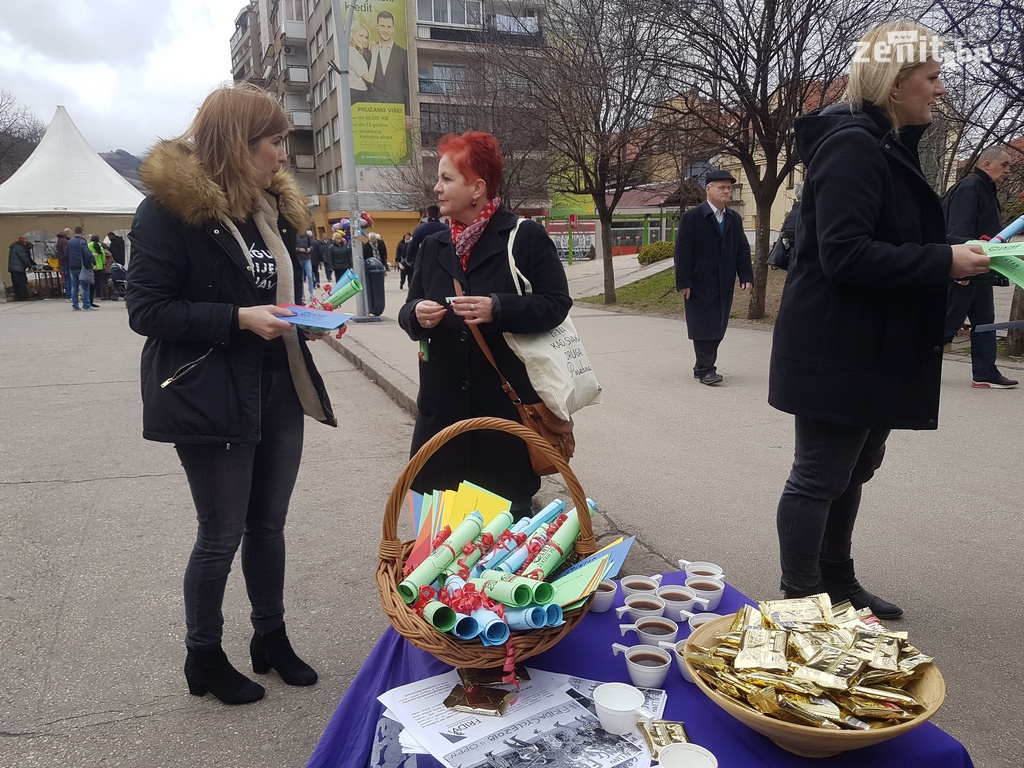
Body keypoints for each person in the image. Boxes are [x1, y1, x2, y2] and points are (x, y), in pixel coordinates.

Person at [768, 22, 990, 619]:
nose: (940, 90)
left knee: (854, 469)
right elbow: (843, 253)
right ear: (895, 84)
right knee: (819, 475)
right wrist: (942, 260)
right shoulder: (853, 145)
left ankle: (838, 581)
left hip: (871, 343)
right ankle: (801, 599)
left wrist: (948, 262)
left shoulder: (885, 143)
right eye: (931, 77)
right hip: (836, 345)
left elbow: (886, 241)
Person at [126, 84, 337, 705]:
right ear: (236, 144)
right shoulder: (168, 212)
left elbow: (275, 294)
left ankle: (269, 638)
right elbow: (147, 309)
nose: (282, 156)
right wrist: (239, 319)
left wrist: (307, 314)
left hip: (277, 384)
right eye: (274, 142)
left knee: (268, 524)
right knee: (221, 533)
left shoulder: (269, 211)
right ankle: (204, 657)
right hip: (209, 393)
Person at [398, 130, 571, 518]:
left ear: (477, 188)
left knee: (503, 541)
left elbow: (556, 304)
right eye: (439, 179)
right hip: (441, 415)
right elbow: (408, 309)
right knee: (438, 535)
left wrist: (499, 308)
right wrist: (417, 316)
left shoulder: (524, 238)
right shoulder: (433, 244)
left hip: (503, 415)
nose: (437, 188)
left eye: (447, 179)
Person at [942, 146, 1017, 389]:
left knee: (985, 322)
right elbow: (957, 232)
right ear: (987, 164)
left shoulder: (986, 190)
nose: (1008, 170)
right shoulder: (970, 188)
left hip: (981, 271)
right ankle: (910, 366)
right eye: (1004, 165)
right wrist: (962, 270)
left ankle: (985, 372)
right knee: (946, 323)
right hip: (966, 270)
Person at [673, 169, 753, 385]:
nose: (727, 191)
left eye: (729, 188)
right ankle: (706, 368)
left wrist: (746, 276)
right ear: (709, 189)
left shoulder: (733, 218)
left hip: (723, 280)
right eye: (722, 188)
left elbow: (742, 249)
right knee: (702, 324)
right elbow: (682, 252)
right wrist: (684, 282)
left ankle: (702, 367)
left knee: (718, 324)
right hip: (700, 281)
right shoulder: (692, 218)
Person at [365, 11, 410, 114]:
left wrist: (407, 114)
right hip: (373, 112)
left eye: (389, 27)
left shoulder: (403, 54)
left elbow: (408, 87)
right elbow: (364, 84)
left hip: (397, 112)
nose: (385, 30)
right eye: (382, 26)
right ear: (377, 26)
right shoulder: (368, 52)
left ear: (393, 28)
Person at [406, 204, 446, 277]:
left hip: (425, 259)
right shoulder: (446, 228)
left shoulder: (420, 229)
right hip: (442, 260)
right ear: (438, 214)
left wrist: (409, 258)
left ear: (427, 214)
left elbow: (413, 244)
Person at [768, 184, 802, 271]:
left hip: (791, 256)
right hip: (806, 257)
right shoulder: (809, 214)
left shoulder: (790, 215)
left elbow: (783, 234)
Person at [348, 22, 378, 104]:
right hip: (356, 93)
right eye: (361, 35)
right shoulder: (351, 52)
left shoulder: (355, 51)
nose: (364, 40)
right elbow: (369, 78)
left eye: (366, 37)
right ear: (351, 34)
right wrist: (375, 54)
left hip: (357, 93)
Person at [66, 226, 95, 311]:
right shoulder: (82, 241)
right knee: (85, 286)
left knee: (74, 286)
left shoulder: (69, 242)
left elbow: (66, 254)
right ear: (82, 232)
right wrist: (93, 260)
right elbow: (86, 252)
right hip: (81, 266)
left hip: (72, 266)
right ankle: (86, 305)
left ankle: (75, 305)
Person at [8, 236, 34, 301]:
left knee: (16, 283)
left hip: (13, 268)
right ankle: (25, 297)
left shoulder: (15, 247)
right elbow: (24, 258)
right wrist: (30, 266)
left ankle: (17, 297)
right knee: (22, 283)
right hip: (18, 268)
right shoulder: (20, 248)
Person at [295, 229, 316, 302]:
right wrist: (299, 249)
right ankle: (302, 294)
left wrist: (309, 249)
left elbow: (311, 245)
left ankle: (311, 293)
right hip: (299, 258)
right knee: (300, 277)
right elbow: (292, 247)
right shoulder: (295, 236)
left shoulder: (307, 236)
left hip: (307, 258)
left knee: (310, 275)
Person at [89, 235, 107, 304]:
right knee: (98, 281)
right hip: (99, 265)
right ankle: (98, 295)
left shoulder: (89, 245)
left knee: (91, 281)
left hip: (91, 265)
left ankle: (92, 295)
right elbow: (103, 255)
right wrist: (102, 263)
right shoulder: (99, 245)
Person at [56, 228, 72, 300]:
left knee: (66, 279)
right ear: (67, 233)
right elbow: (66, 252)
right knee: (69, 279)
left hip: (61, 262)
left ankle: (68, 294)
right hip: (66, 263)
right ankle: (69, 294)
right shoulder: (65, 241)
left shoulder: (59, 240)